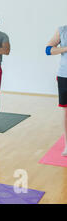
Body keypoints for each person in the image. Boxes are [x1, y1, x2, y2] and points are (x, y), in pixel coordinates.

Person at [46, 26, 67, 156]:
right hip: (65, 75)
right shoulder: (62, 30)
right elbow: (48, 50)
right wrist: (65, 48)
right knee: (66, 111)